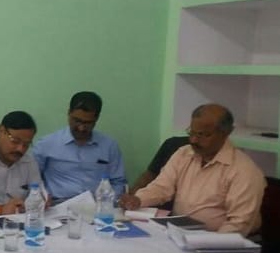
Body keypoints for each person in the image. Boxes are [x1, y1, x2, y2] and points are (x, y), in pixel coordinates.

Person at [119, 104, 266, 236]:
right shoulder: (184, 154)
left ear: (226, 133)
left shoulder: (244, 170)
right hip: (180, 232)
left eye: (203, 134)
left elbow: (239, 224)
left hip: (218, 241)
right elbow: (162, 187)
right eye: (192, 132)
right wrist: (138, 199)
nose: (194, 140)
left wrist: (210, 244)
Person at [33, 91, 126, 201]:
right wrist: (42, 197)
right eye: (77, 121)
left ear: (96, 119)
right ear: (69, 113)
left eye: (88, 123)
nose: (81, 128)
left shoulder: (109, 146)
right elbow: (32, 179)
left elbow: (118, 182)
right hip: (58, 204)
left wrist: (108, 201)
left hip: (98, 205)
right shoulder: (46, 144)